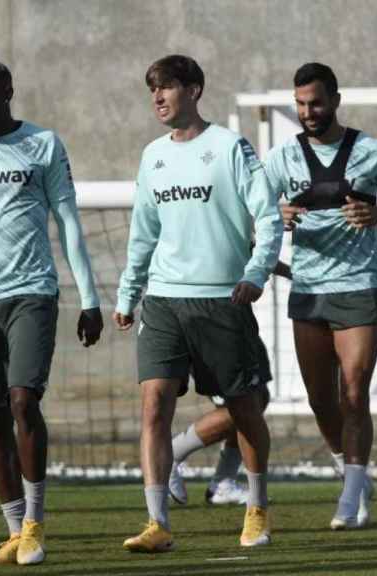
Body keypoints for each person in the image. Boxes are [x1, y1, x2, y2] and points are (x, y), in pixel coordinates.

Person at [116, 54, 283, 552]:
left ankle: (255, 509)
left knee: (245, 409)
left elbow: (268, 218)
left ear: (194, 89)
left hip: (221, 301)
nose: (158, 98)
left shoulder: (230, 147)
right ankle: (157, 523)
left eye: (166, 87)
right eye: (153, 90)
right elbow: (143, 232)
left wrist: (256, 273)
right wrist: (129, 293)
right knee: (153, 406)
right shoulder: (153, 156)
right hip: (164, 302)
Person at [0, 59, 103, 566]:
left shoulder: (44, 145)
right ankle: (13, 530)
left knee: (21, 402)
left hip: (33, 292)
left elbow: (69, 222)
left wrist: (91, 298)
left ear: (7, 92)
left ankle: (35, 523)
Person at [264, 62, 377, 530]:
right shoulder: (280, 159)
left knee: (354, 392)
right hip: (307, 292)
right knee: (320, 400)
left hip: (357, 288)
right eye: (300, 104)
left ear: (335, 100)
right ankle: (350, 470)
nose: (307, 111)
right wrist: (278, 212)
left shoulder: (371, 150)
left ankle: (351, 494)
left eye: (315, 102)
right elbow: (253, 213)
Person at [167, 265, 289, 506]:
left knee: (257, 397)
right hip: (205, 311)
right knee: (242, 403)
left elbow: (251, 243)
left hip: (233, 311)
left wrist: (288, 269)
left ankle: (223, 481)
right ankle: (169, 455)